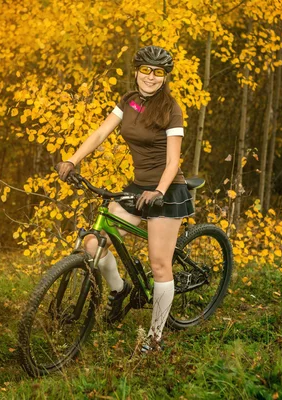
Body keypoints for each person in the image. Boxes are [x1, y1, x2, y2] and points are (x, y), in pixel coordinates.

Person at [56, 45, 194, 352]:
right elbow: (100, 133)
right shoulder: (129, 101)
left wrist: (158, 190)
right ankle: (119, 291)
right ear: (137, 71)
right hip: (137, 186)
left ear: (165, 77)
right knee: (94, 242)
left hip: (166, 191)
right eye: (145, 70)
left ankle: (155, 338)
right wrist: (72, 160)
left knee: (160, 265)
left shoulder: (171, 108)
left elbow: (173, 162)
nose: (150, 77)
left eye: (158, 72)